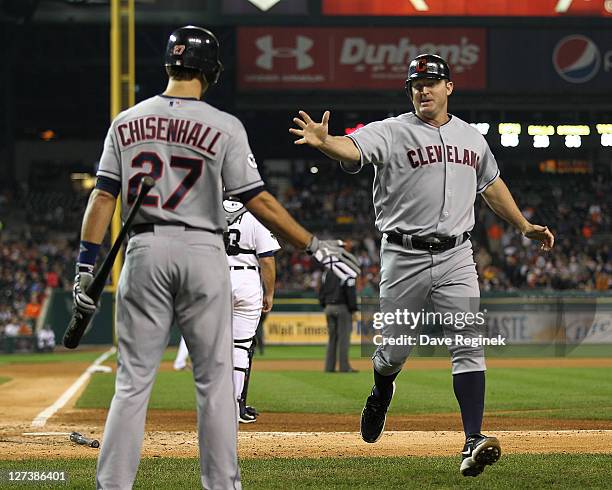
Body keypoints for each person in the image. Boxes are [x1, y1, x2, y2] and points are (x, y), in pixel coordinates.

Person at [73, 26, 360, 490]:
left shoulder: (126, 121)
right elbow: (259, 203)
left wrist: (86, 266)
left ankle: (112, 485)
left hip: (144, 250)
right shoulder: (224, 126)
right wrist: (312, 244)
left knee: (132, 383)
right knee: (214, 383)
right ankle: (222, 485)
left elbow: (102, 199)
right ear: (213, 72)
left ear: (169, 64)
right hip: (204, 251)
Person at [290, 53, 554, 477]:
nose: (423, 89)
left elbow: (491, 184)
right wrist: (326, 143)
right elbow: (352, 148)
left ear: (449, 87)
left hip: (457, 255)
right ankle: (381, 389)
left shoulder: (471, 138)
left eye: (431, 82)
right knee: (394, 351)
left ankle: (472, 440)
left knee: (469, 343)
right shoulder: (392, 131)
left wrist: (523, 225)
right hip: (403, 256)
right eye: (416, 84)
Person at [174, 197, 280, 424]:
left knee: (211, 347)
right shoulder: (256, 213)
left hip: (215, 276)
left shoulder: (207, 210)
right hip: (247, 279)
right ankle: (234, 406)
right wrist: (269, 292)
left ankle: (211, 407)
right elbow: (267, 260)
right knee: (241, 348)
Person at [319, 270, 358, 372]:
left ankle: (329, 367)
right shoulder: (346, 271)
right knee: (343, 339)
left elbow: (321, 291)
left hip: (329, 307)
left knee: (332, 338)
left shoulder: (326, 272)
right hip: (342, 307)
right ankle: (344, 367)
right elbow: (350, 292)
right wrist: (353, 309)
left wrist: (325, 304)